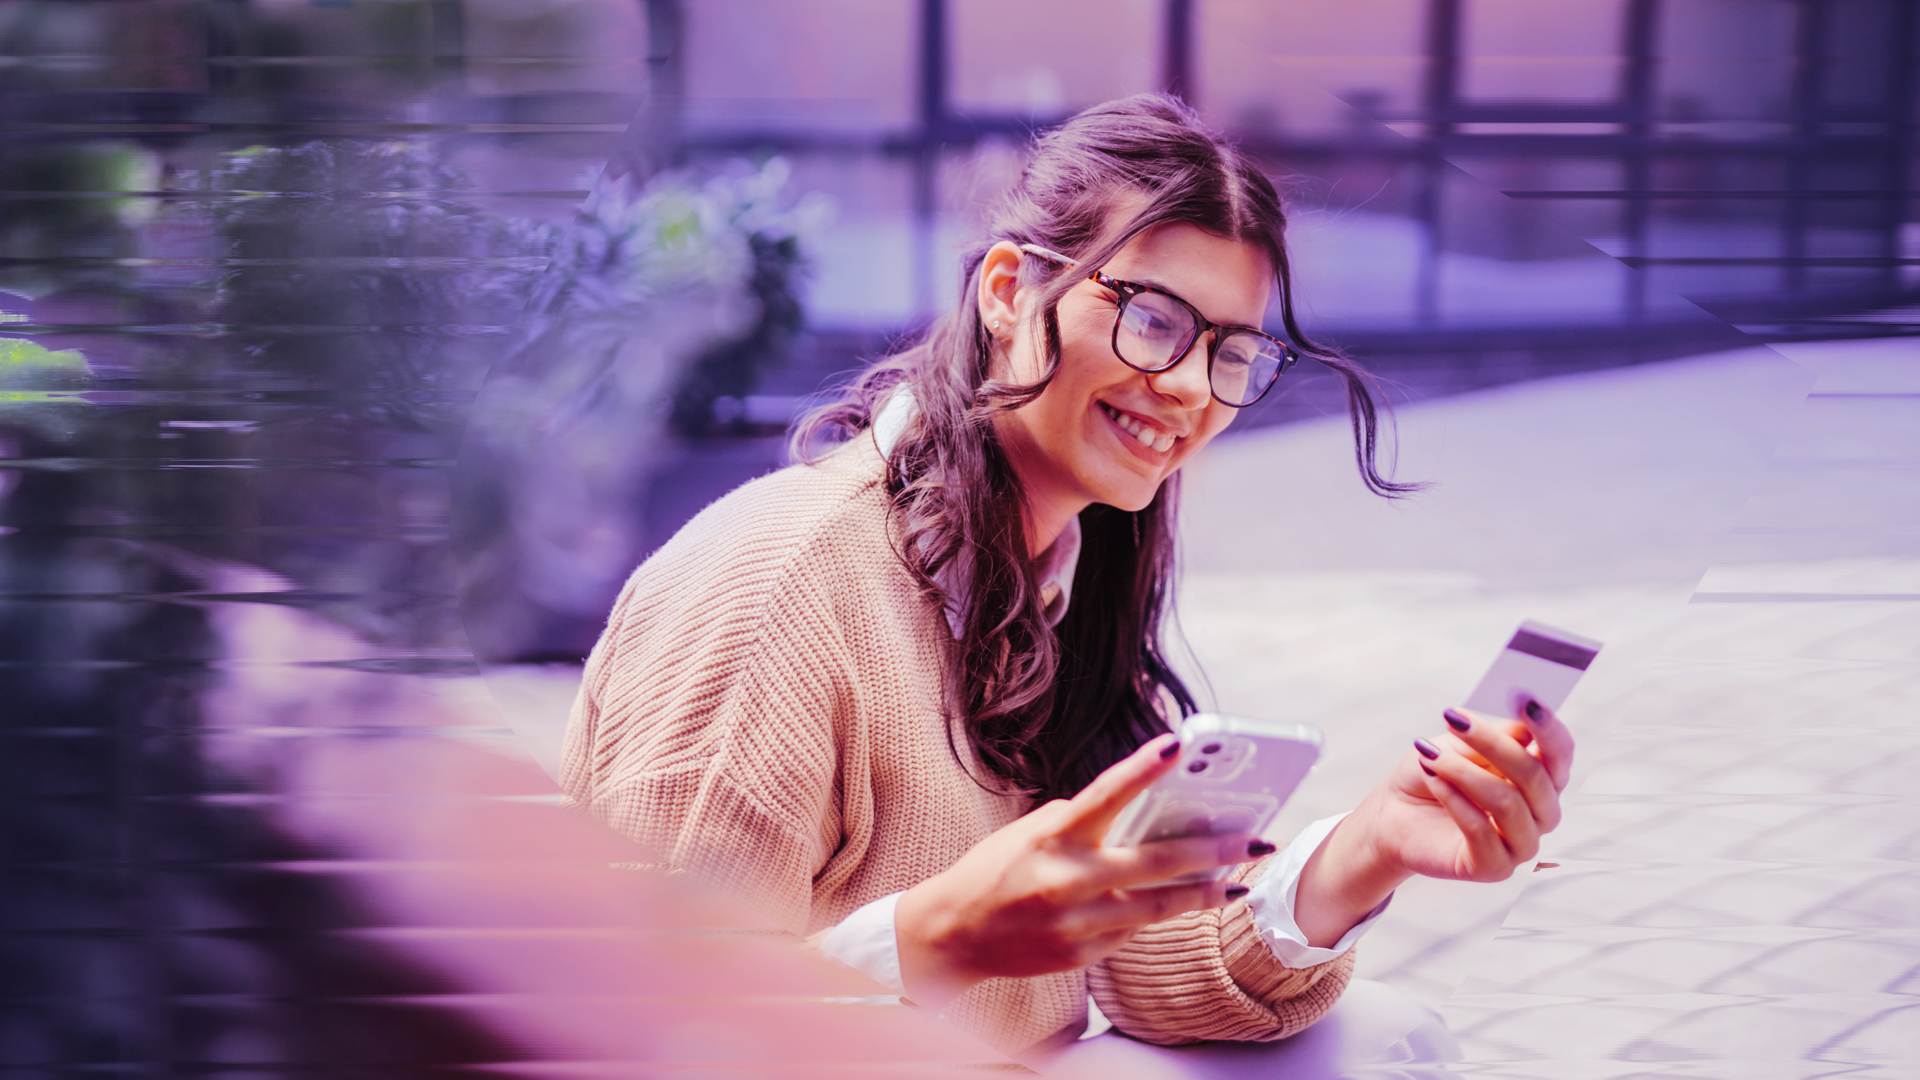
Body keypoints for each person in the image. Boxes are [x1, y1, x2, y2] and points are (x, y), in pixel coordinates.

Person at [560, 94, 1573, 1066]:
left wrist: (1374, 847)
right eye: (1155, 317)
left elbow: (1146, 960)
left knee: (1388, 1036)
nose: (1186, 388)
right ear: (1008, 292)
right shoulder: (773, 587)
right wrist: (937, 939)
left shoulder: (1056, 585)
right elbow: (643, 1030)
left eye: (1232, 353)